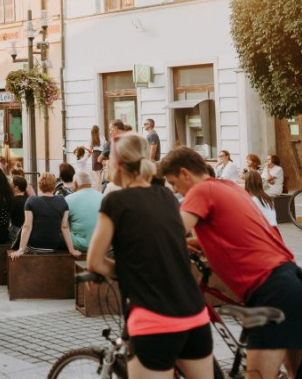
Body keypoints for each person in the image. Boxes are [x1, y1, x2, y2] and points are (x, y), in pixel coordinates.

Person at [161, 147, 302, 379]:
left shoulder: (201, 191)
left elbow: (171, 232)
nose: (175, 190)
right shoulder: (228, 187)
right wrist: (200, 243)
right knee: (300, 375)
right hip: (292, 279)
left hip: (270, 289)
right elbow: (234, 232)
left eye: (173, 183)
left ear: (184, 173)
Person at [88, 135, 214, 379]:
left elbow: (95, 260)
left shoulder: (115, 201)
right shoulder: (166, 196)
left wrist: (123, 271)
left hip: (153, 320)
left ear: (117, 165)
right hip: (195, 315)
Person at [12, 172, 80, 257]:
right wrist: (71, 250)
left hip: (34, 245)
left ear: (39, 185)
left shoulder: (31, 200)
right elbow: (64, 227)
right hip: (53, 245)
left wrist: (21, 250)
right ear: (54, 185)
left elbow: (27, 226)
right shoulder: (62, 201)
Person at [66, 176, 103, 253]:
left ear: (75, 184)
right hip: (101, 244)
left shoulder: (68, 199)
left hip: (80, 245)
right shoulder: (102, 197)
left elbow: (63, 225)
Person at [9, 175, 29, 242]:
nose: (9, 185)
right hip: (28, 231)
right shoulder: (29, 200)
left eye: (11, 184)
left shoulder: (12, 201)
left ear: (16, 188)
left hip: (16, 230)